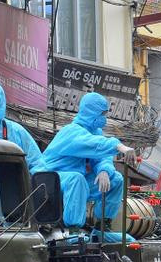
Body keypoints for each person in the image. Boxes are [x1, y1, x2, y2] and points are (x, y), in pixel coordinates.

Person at [34, 92, 133, 228]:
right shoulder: (71, 132)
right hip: (50, 178)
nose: (105, 118)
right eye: (102, 114)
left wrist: (103, 170)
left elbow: (102, 157)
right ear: (92, 113)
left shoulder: (95, 132)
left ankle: (103, 224)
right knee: (77, 179)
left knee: (115, 179)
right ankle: (73, 229)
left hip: (76, 180)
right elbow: (93, 144)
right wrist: (118, 146)